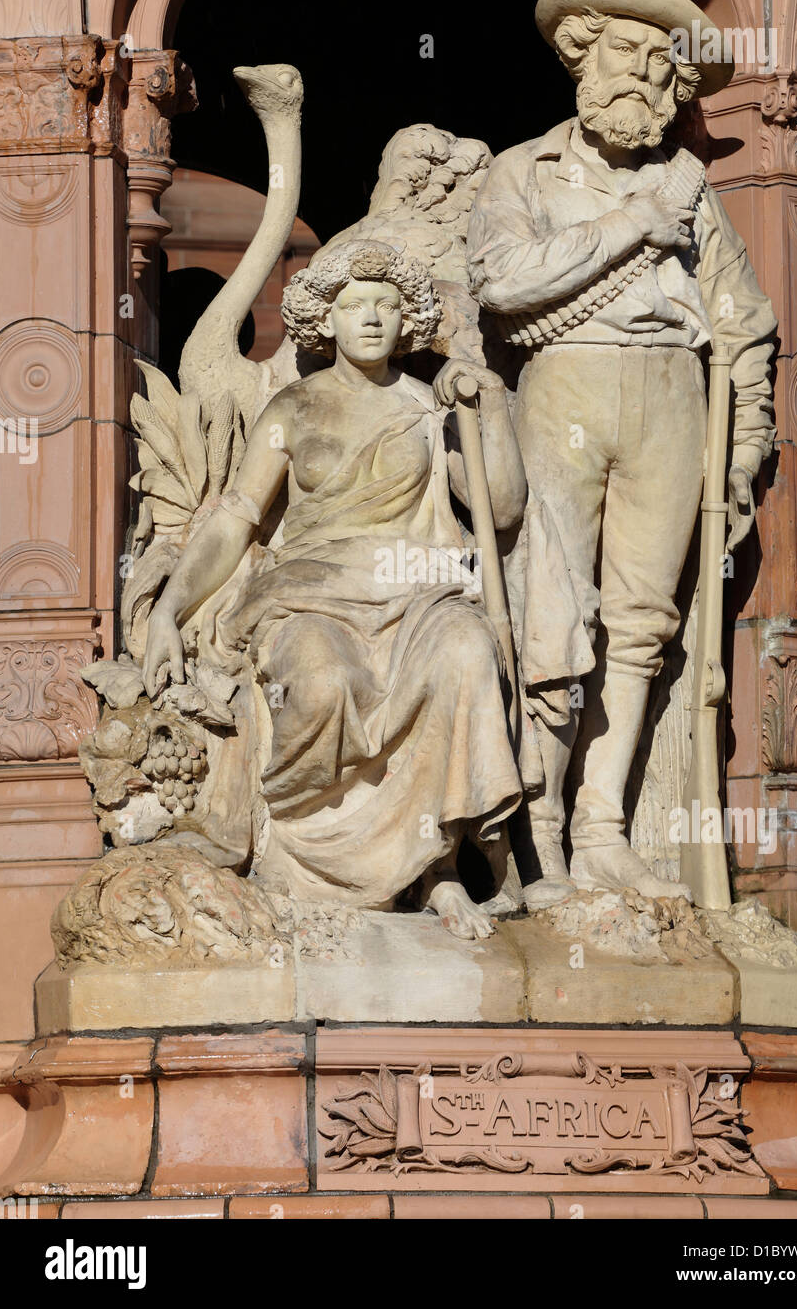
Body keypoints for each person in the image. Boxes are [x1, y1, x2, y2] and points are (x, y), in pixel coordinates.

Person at [466, 0, 777, 899]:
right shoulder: (522, 171)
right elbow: (502, 281)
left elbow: (746, 325)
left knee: (644, 624)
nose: (639, 75)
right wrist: (630, 229)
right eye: (623, 52)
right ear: (581, 54)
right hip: (565, 387)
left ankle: (604, 827)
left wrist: (744, 451)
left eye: (659, 63)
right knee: (553, 614)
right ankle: (536, 833)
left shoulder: (693, 189)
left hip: (675, 400)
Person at [142, 240, 527, 939]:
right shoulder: (294, 408)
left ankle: (435, 869)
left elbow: (499, 512)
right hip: (312, 595)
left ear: (408, 317)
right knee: (320, 685)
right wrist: (170, 610)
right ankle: (297, 858)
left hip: (415, 591)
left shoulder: (429, 407)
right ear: (327, 320)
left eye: (386, 305)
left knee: (467, 652)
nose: (372, 319)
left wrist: (490, 405)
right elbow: (235, 517)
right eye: (355, 306)